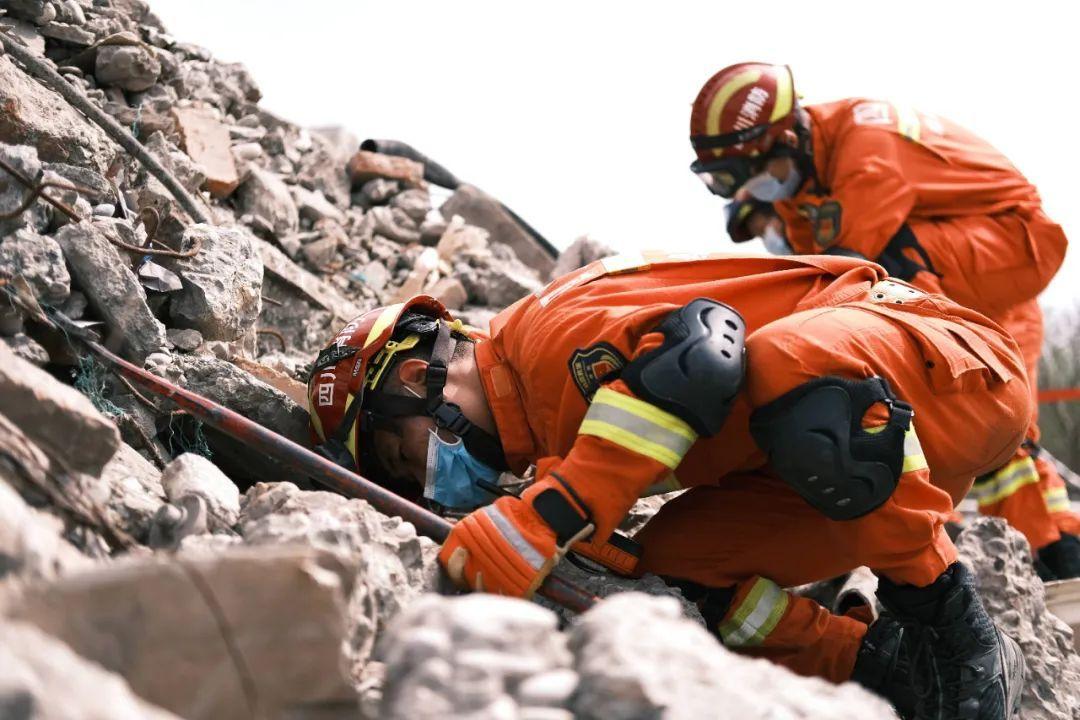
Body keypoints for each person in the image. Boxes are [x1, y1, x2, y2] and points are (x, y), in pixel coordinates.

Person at [308, 252, 1030, 719]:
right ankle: (889, 667)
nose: (431, 484)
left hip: (948, 368)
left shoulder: (545, 339)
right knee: (679, 573)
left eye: (408, 459)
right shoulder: (550, 431)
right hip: (865, 447)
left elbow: (703, 351)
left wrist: (549, 517)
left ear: (417, 380)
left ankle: (952, 622)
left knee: (784, 365)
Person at [688, 62, 1078, 578]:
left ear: (788, 136)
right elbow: (808, 278)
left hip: (1013, 245)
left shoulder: (865, 149)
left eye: (759, 177)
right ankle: (1059, 549)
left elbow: (845, 273)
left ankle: (1046, 547)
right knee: (996, 435)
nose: (761, 198)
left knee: (883, 279)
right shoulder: (805, 177)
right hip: (983, 292)